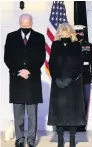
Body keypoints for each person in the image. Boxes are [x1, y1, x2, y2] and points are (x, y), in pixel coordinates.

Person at [4, 13, 46, 147]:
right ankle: (20, 139)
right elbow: (7, 57)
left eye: (27, 25)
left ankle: (31, 140)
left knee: (32, 114)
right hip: (17, 81)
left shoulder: (39, 37)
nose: (25, 27)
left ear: (32, 23)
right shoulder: (11, 37)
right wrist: (18, 71)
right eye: (23, 25)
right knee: (18, 115)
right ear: (19, 23)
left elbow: (41, 57)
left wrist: (30, 71)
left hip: (32, 81)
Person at [47, 23, 86, 147]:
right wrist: (57, 78)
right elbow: (51, 63)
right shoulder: (55, 45)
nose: (64, 34)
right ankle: (60, 140)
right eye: (62, 32)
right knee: (59, 113)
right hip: (58, 85)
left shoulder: (76, 45)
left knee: (72, 113)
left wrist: (71, 78)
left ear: (71, 33)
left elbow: (79, 64)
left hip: (73, 84)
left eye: (66, 32)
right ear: (59, 33)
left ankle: (73, 140)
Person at [74, 25, 92, 132]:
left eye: (80, 32)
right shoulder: (71, 45)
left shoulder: (89, 46)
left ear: (83, 33)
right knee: (75, 101)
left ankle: (82, 124)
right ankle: (74, 123)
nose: (79, 34)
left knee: (85, 101)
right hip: (74, 78)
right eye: (76, 32)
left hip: (86, 77)